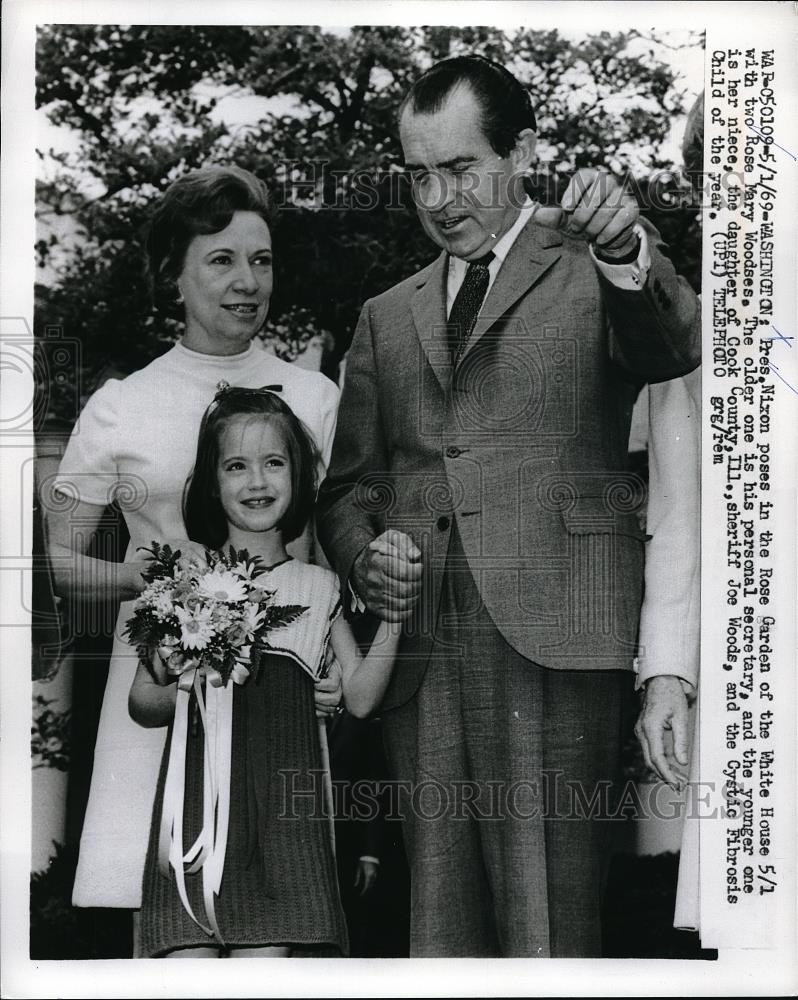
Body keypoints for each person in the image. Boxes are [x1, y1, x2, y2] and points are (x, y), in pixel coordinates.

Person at [317, 55, 701, 957]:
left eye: (461, 168)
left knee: (550, 930)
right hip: (420, 653)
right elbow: (347, 489)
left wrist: (626, 251)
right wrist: (362, 553)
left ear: (522, 150)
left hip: (558, 640)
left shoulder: (595, 257)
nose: (439, 197)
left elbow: (671, 341)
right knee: (437, 930)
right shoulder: (384, 314)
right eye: (419, 175)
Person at [46, 166, 341, 916]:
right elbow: (60, 564)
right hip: (154, 690)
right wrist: (134, 580)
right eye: (221, 260)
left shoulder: (315, 397)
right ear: (171, 277)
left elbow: (331, 561)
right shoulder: (121, 405)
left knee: (278, 915)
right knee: (165, 925)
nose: (248, 281)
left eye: (262, 260)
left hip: (281, 699)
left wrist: (338, 661)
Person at [127, 387, 399, 957]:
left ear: (298, 478)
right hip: (195, 827)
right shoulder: (186, 585)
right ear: (210, 482)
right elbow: (141, 704)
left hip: (283, 833)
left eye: (274, 463)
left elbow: (364, 697)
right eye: (236, 466)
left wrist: (397, 619)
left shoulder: (319, 587)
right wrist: (186, 681)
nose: (257, 481)